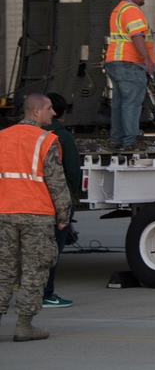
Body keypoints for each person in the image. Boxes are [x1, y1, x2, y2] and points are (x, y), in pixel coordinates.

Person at [0, 93, 73, 342]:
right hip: (37, 215)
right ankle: (24, 325)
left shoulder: (2, 137)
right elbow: (56, 181)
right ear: (36, 112)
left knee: (3, 271)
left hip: (4, 213)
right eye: (50, 108)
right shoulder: (46, 140)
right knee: (34, 270)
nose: (54, 113)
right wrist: (64, 214)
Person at [105, 0, 155, 149]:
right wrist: (147, 59)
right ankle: (130, 140)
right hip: (130, 63)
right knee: (132, 103)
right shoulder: (132, 10)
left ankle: (117, 140)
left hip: (115, 62)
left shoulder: (118, 9)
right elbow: (136, 36)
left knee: (120, 103)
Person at [42, 93, 81, 309]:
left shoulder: (19, 134)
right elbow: (73, 172)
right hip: (55, 203)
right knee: (52, 250)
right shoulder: (61, 136)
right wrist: (71, 198)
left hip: (26, 203)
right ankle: (46, 293)